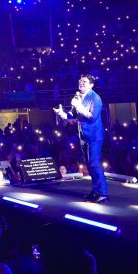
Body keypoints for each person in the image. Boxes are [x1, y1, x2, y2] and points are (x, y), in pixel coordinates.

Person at [54, 74, 108, 203]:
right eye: (80, 81)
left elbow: (92, 117)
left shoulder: (96, 98)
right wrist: (61, 113)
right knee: (89, 164)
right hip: (83, 135)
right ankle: (95, 190)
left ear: (91, 85)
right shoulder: (78, 97)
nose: (81, 83)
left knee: (94, 163)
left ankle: (103, 193)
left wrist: (78, 106)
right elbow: (72, 114)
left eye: (84, 81)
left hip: (94, 135)